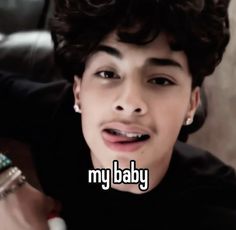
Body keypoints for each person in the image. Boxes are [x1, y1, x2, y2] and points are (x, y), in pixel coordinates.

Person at [0, 0, 236, 229]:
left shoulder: (219, 205)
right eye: (107, 74)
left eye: (160, 80)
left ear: (191, 105)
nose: (129, 102)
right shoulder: (58, 117)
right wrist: (5, 183)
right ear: (78, 92)